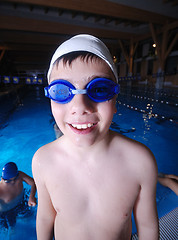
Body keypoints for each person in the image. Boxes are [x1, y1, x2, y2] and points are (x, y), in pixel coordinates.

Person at [32, 34, 158, 240]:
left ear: (116, 97)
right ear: (50, 98)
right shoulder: (43, 160)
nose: (80, 107)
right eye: (62, 91)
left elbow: (148, 227)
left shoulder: (140, 162)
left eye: (99, 89)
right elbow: (45, 218)